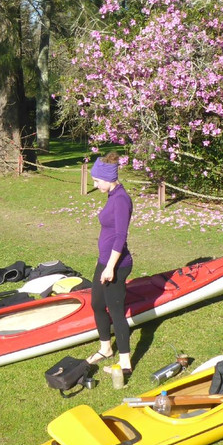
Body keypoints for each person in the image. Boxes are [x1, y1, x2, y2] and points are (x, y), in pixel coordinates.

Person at [85, 152, 134, 383]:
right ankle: (106, 349)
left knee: (116, 310)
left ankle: (125, 363)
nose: (94, 185)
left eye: (97, 180)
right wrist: (101, 261)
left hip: (117, 265)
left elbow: (120, 237)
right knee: (96, 304)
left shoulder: (121, 199)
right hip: (104, 261)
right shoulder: (112, 195)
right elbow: (108, 231)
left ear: (108, 178)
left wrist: (111, 267)